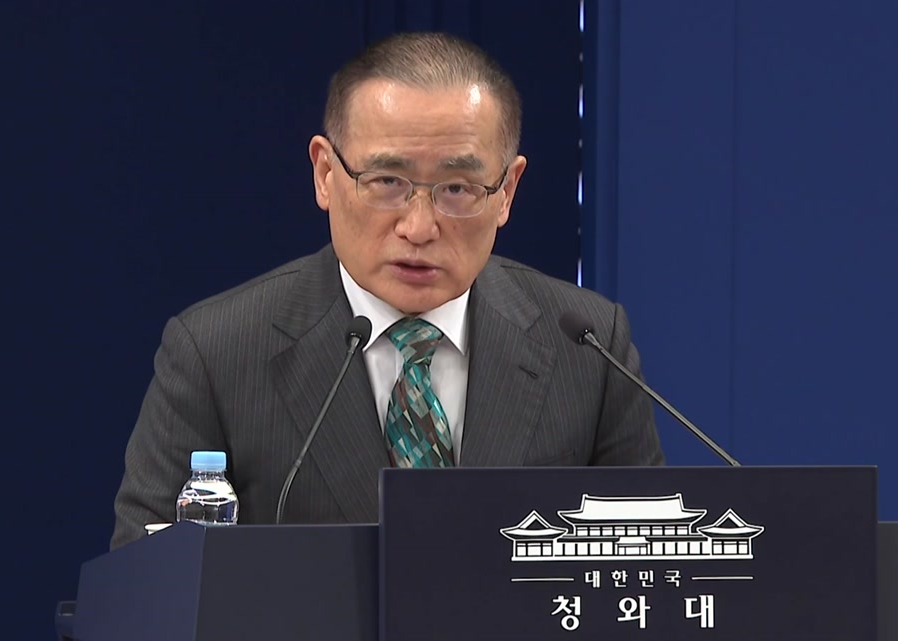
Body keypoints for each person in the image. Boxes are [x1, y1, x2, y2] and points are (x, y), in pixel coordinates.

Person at [110, 32, 664, 549]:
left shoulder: (589, 349)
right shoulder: (216, 352)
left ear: (507, 191)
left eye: (457, 188)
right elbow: (150, 595)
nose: (419, 227)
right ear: (325, 174)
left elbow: (651, 576)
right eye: (386, 182)